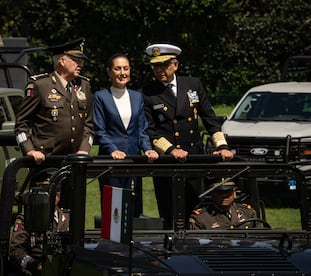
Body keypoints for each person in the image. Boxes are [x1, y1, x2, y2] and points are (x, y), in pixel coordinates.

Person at [141, 43, 234, 229]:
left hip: (193, 157)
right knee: (169, 212)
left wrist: (222, 146)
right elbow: (150, 130)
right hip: (167, 160)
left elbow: (210, 119)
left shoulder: (193, 85)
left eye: (164, 65)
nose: (159, 70)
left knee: (194, 209)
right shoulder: (147, 93)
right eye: (155, 66)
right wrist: (170, 149)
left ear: (175, 65)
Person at [93, 53, 159, 217]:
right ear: (109, 72)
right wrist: (112, 149)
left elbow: (141, 130)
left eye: (126, 68)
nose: (122, 73)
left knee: (134, 209)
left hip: (134, 159)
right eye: (117, 68)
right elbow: (99, 130)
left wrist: (148, 149)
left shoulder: (137, 97)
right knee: (114, 212)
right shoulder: (100, 97)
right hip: (111, 161)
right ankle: (112, 243)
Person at [14, 38, 94, 167]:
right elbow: (21, 124)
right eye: (76, 60)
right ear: (62, 61)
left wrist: (84, 149)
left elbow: (89, 125)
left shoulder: (84, 85)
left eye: (82, 61)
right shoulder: (40, 85)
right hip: (46, 161)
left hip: (75, 162)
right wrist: (29, 150)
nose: (81, 65)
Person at [9, 184, 69, 276]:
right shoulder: (27, 218)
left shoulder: (67, 218)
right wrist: (35, 265)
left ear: (57, 197)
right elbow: (15, 251)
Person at [188, 180, 257, 229]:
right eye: (219, 192)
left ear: (234, 193)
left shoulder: (247, 212)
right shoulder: (201, 218)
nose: (224, 196)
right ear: (212, 194)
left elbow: (260, 237)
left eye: (228, 192)